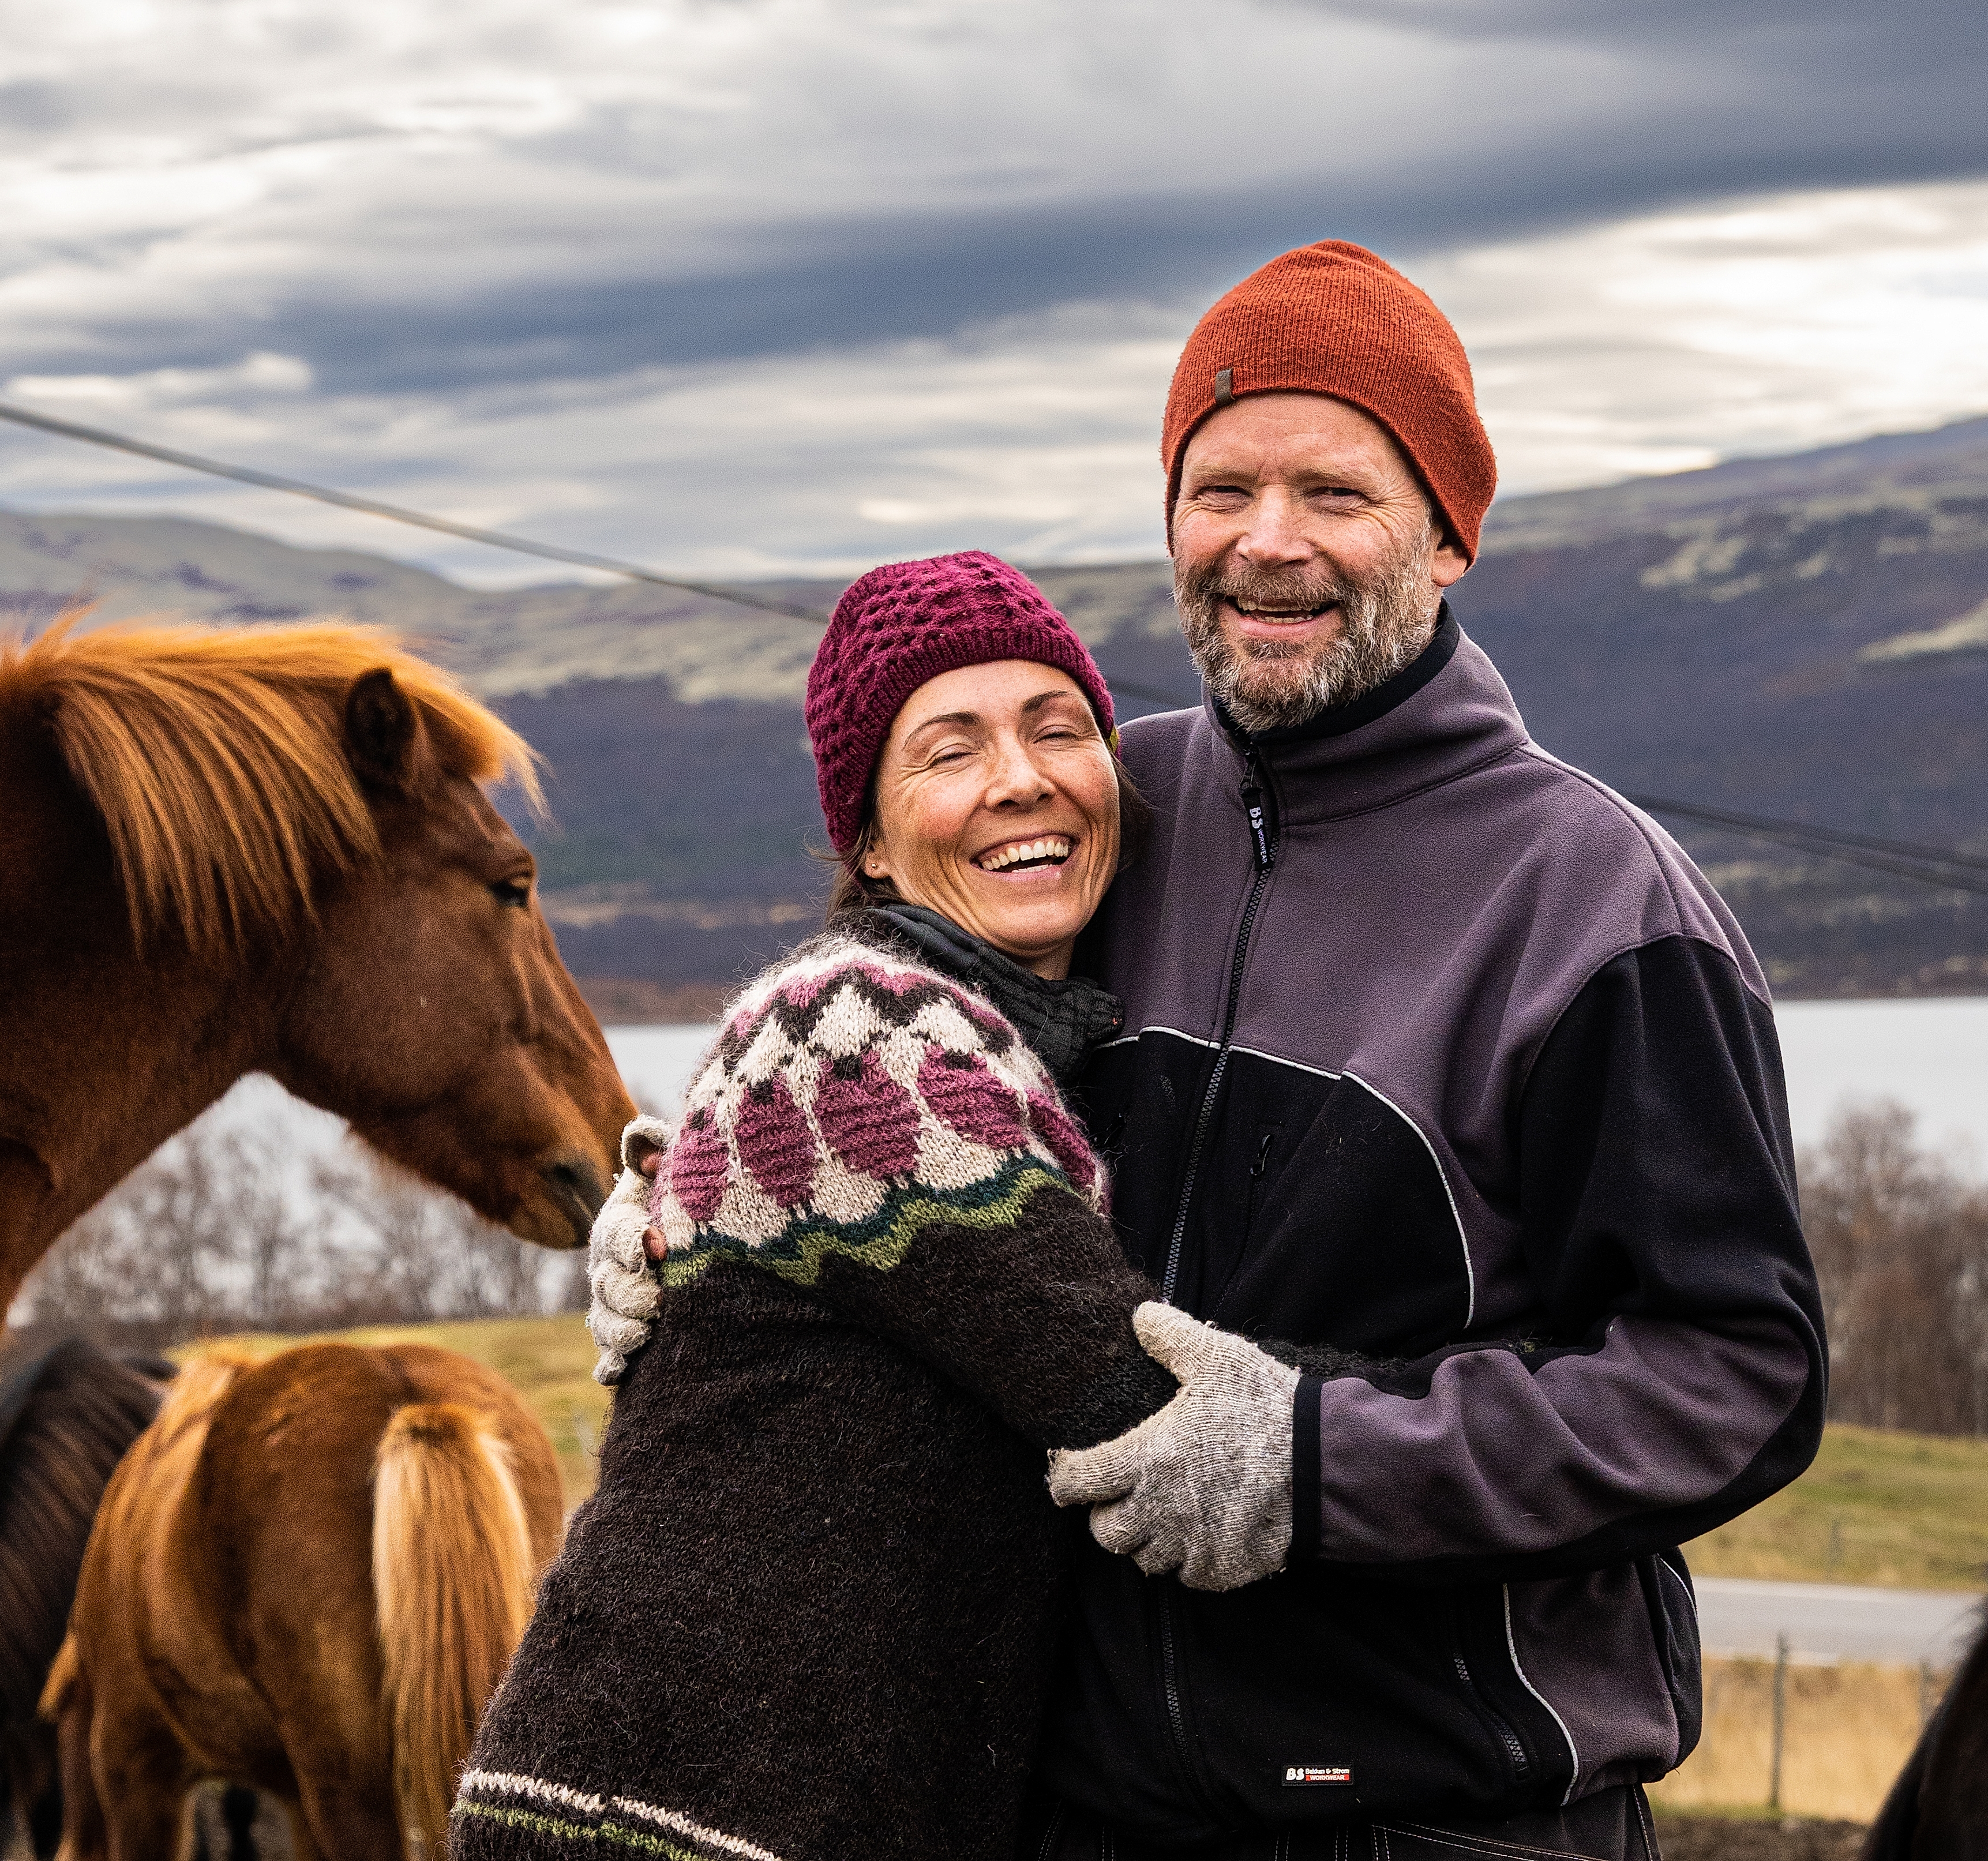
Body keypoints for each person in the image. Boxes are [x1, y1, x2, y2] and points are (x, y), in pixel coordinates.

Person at [1021, 242, 1825, 1860]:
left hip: (1447, 1822)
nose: (1266, 543)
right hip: (1085, 1806)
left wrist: (1316, 1466)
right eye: (1218, 486)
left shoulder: (1594, 902)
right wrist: (713, 1215)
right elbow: (904, 1062)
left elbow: (1735, 1376)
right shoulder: (1108, 807)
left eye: (1335, 490)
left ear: (1450, 534)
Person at [452, 553, 1187, 1861]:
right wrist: (1486, 1415)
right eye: (949, 749)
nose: (1021, 777)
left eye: (1058, 725)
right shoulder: (848, 1035)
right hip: (666, 1828)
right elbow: (1134, 1401)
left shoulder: (1007, 1042)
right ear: (867, 835)